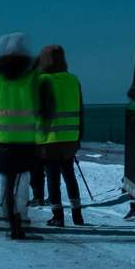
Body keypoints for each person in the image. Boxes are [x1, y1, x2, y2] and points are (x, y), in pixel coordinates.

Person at [0, 32, 41, 239]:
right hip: (27, 140)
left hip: (1, 139)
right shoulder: (33, 76)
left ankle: (11, 217)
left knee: (8, 180)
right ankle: (20, 215)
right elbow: (45, 106)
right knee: (23, 180)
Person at [36, 44, 85, 228]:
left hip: (49, 139)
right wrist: (79, 136)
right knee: (70, 176)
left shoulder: (42, 81)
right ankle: (77, 215)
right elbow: (81, 110)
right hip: (71, 137)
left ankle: (58, 216)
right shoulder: (74, 80)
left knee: (53, 178)